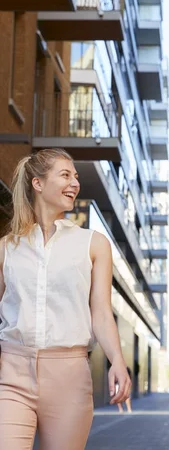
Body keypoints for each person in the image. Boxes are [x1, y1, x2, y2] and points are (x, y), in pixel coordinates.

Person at [0, 148, 132, 450]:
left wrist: (118, 361)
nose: (75, 183)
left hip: (69, 376)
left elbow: (100, 313)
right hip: (12, 373)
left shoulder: (93, 244)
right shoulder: (7, 248)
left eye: (76, 176)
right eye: (65, 175)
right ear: (38, 183)